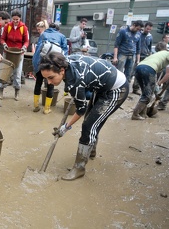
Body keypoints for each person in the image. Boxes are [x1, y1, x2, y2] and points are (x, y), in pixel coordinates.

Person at [39, 52, 128, 180]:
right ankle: (91, 151)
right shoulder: (64, 62)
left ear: (62, 70)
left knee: (89, 125)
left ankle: (79, 168)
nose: (49, 82)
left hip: (117, 89)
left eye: (51, 78)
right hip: (102, 86)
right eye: (46, 79)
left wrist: (65, 127)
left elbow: (81, 110)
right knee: (92, 120)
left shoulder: (74, 81)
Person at [132, 42, 169, 120]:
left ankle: (143, 113)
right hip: (149, 69)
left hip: (139, 68)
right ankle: (135, 114)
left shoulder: (155, 55)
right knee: (147, 95)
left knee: (145, 93)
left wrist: (156, 92)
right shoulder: (167, 52)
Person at [32, 23, 68, 114]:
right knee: (50, 85)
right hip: (53, 65)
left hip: (42, 64)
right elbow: (64, 52)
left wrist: (36, 66)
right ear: (58, 30)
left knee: (38, 83)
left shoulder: (43, 34)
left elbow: (37, 51)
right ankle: (47, 108)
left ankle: (36, 106)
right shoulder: (62, 36)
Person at [0, 10, 29, 101]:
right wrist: (4, 44)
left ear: (20, 18)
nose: (15, 21)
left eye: (17, 19)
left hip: (19, 54)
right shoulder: (8, 26)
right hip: (7, 52)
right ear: (12, 18)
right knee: (5, 72)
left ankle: (17, 91)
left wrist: (24, 47)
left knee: (17, 73)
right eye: (14, 19)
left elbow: (26, 41)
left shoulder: (24, 28)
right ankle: (1, 90)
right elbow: (2, 39)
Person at [132, 22, 153, 95]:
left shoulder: (150, 36)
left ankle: (136, 88)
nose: (148, 30)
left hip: (145, 56)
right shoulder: (139, 34)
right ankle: (132, 87)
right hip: (137, 55)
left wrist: (149, 55)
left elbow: (149, 47)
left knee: (141, 73)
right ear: (144, 28)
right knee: (134, 71)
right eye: (147, 29)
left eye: (150, 29)